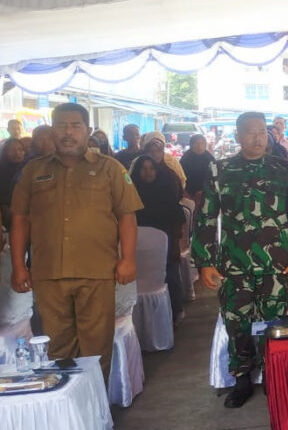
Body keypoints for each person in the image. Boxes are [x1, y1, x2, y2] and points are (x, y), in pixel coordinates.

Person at [10, 102, 142, 378]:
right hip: (48, 274)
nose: (68, 132)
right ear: (51, 130)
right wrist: (19, 266)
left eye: (75, 126)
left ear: (87, 130)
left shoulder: (110, 169)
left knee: (96, 351)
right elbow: (20, 219)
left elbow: (127, 217)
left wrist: (128, 259)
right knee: (58, 351)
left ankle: (97, 405)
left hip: (97, 272)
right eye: (61, 126)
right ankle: (69, 404)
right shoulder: (34, 171)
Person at [192, 111, 288, 408]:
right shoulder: (220, 169)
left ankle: (273, 375)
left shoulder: (284, 168)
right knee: (237, 321)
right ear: (238, 136)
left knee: (274, 320)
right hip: (235, 263)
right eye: (250, 132)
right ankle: (242, 378)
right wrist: (205, 261)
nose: (258, 138)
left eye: (262, 132)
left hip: (277, 262)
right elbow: (206, 217)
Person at [130, 154, 187, 322]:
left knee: (170, 274)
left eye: (151, 168)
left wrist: (175, 245)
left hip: (166, 246)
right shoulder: (131, 195)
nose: (148, 172)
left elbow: (177, 221)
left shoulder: (166, 193)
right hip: (137, 247)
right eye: (143, 169)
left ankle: (175, 312)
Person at [0, 138, 27, 229]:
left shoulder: (30, 168)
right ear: (5, 152)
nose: (17, 153)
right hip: (8, 207)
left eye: (20, 149)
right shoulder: (2, 169)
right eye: (12, 150)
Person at [180, 134, 216, 200]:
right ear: (191, 145)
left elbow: (215, 176)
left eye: (202, 143)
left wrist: (204, 190)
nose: (200, 146)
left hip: (206, 193)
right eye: (197, 143)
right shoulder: (186, 158)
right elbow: (180, 176)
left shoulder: (209, 158)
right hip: (187, 193)